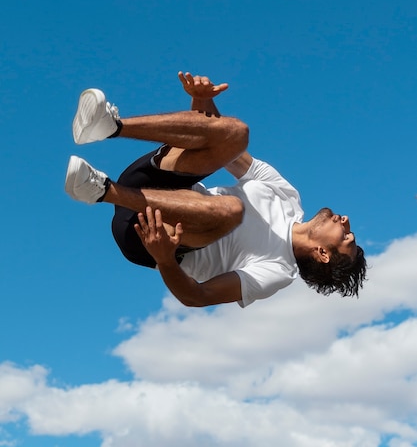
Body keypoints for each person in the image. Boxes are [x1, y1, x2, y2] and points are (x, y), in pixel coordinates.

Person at [65, 72, 366, 308]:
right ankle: (110, 126)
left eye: (346, 236)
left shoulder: (277, 271)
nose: (345, 220)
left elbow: (197, 296)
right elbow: (223, 147)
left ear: (323, 254)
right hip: (156, 186)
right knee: (237, 133)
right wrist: (202, 103)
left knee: (233, 211)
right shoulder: (288, 196)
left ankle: (100, 189)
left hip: (152, 235)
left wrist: (166, 259)